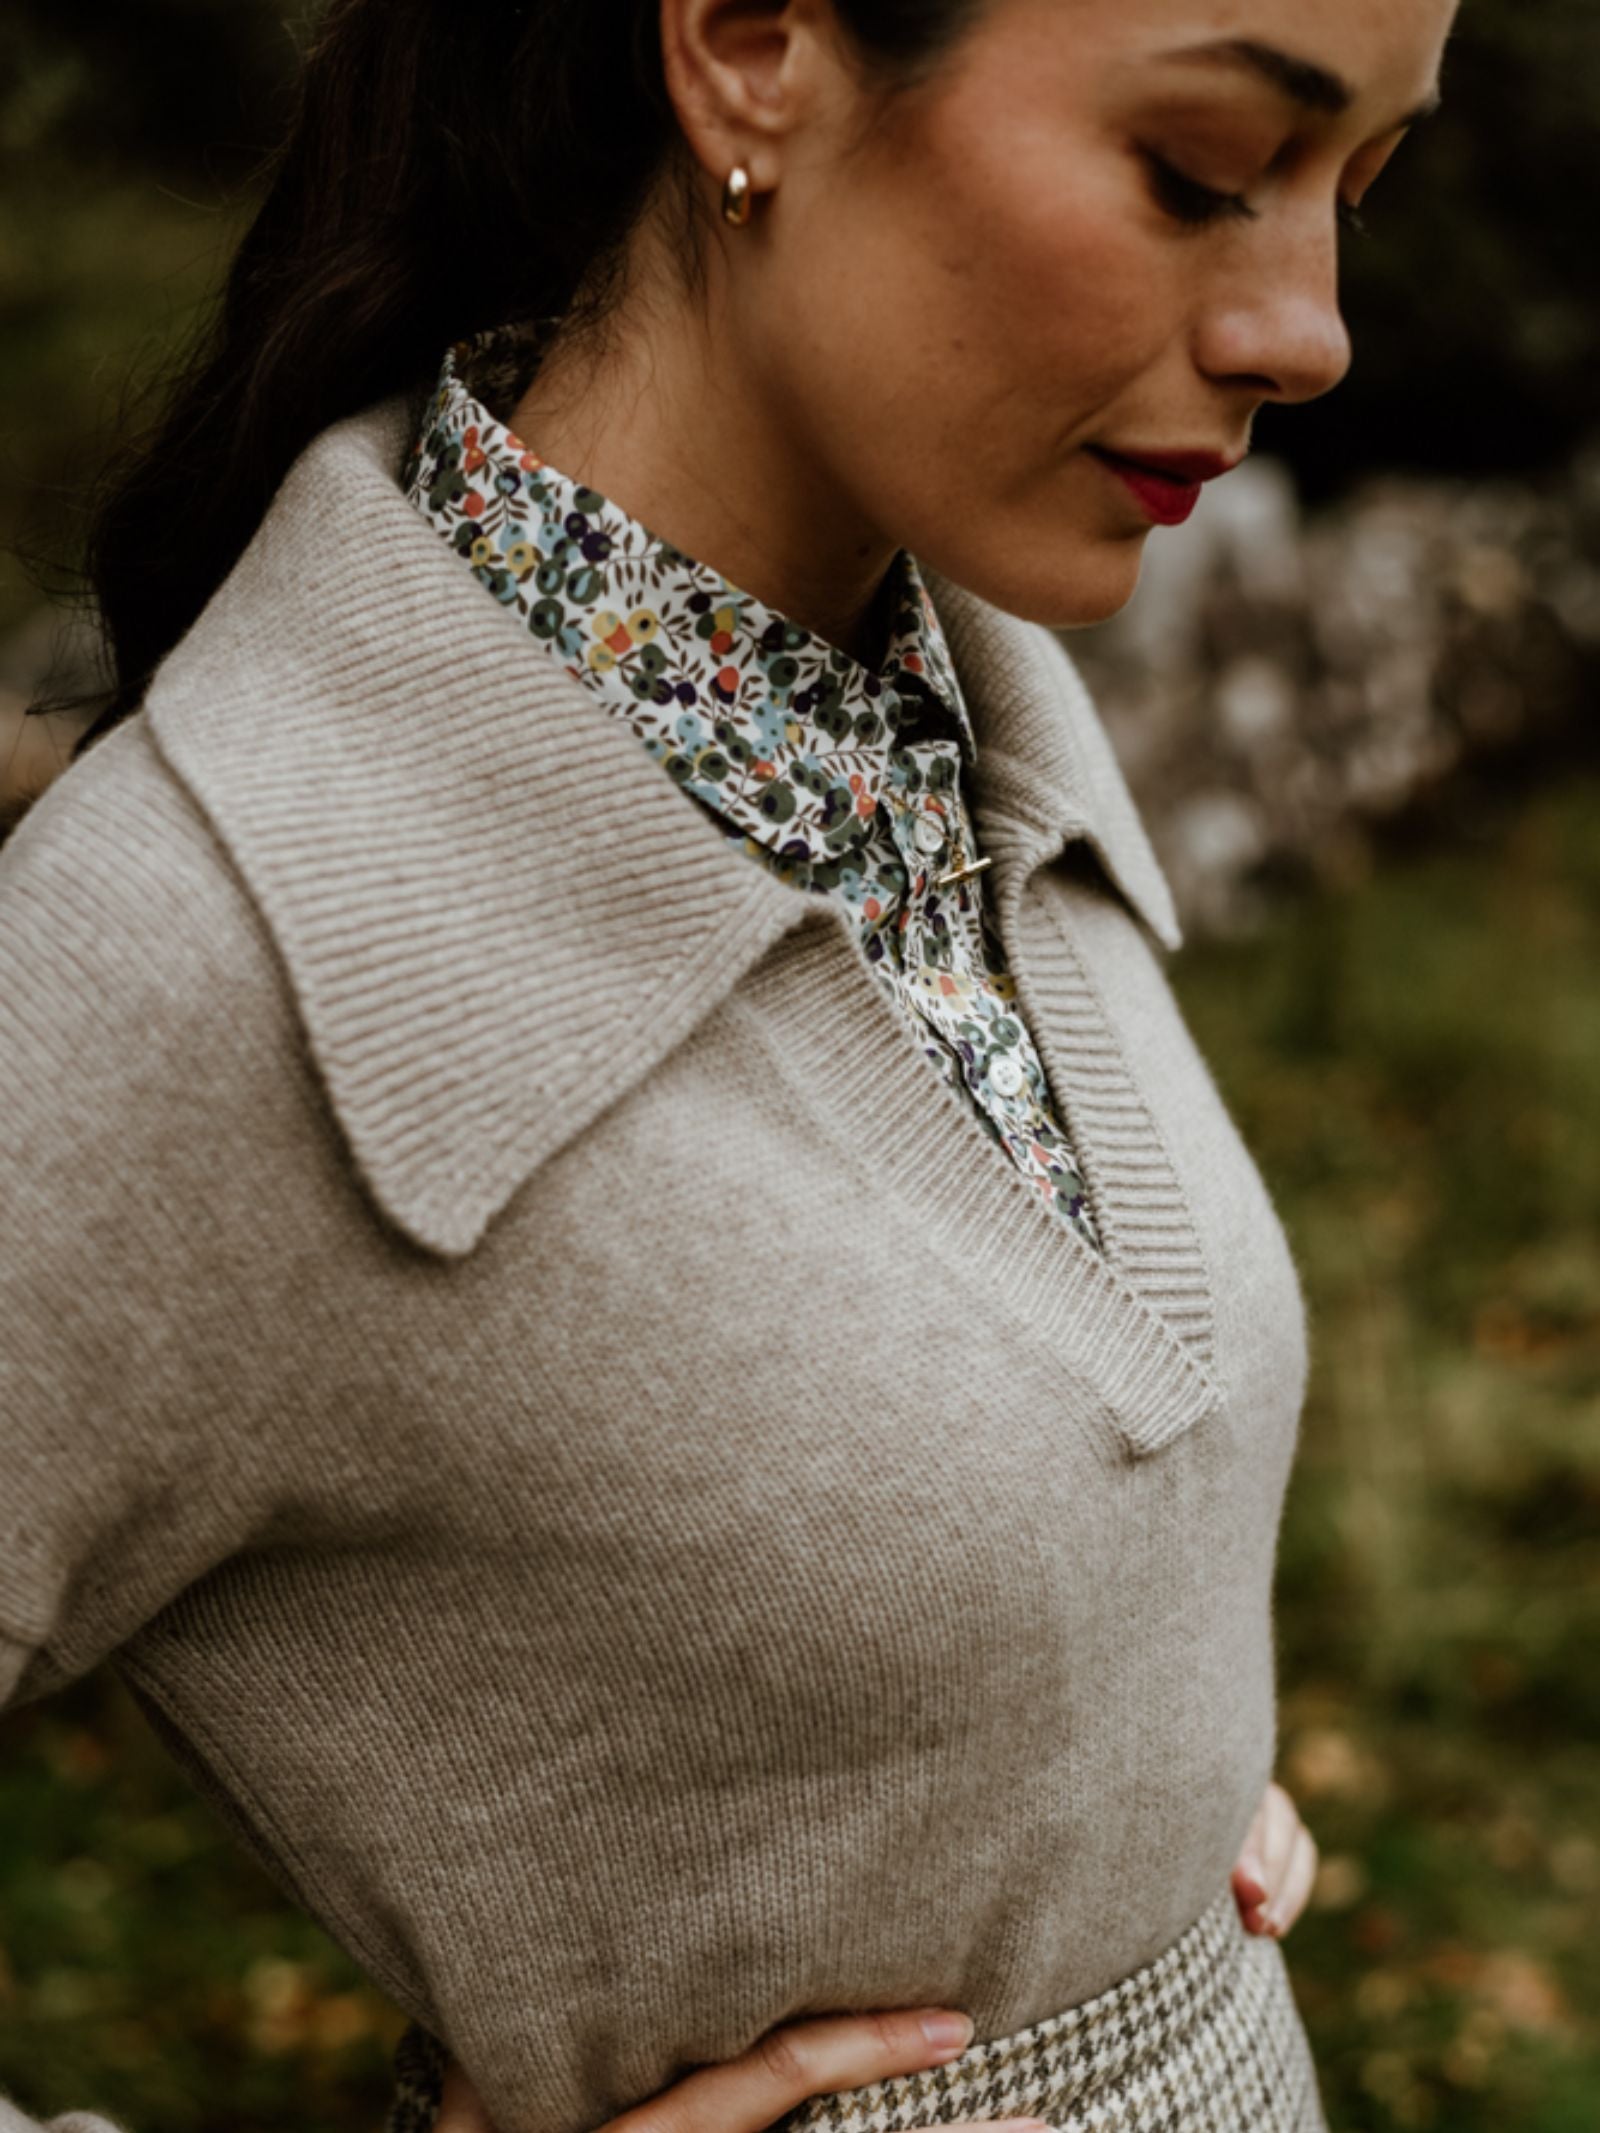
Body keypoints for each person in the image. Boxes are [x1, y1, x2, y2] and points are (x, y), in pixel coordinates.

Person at [0, 0, 1455, 2129]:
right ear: (753, 48)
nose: (1306, 327)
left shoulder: (957, 738)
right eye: (1200, 166)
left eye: (1359, 185)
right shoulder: (223, 938)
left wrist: (1116, 1861)